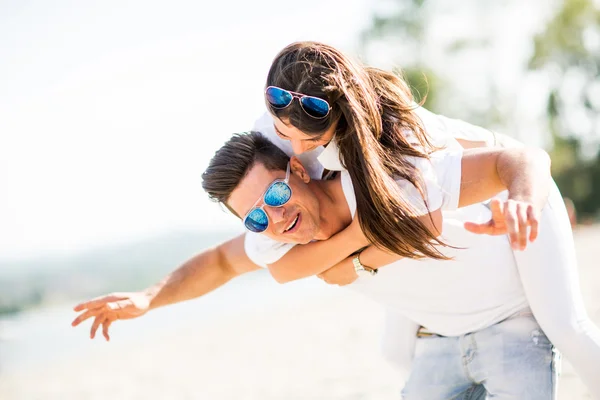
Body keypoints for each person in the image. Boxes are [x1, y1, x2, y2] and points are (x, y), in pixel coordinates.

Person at [201, 131, 560, 398]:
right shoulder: (282, 248)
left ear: (298, 169)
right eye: (256, 219)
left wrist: (522, 200)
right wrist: (149, 298)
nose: (276, 218)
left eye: (275, 194)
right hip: (438, 345)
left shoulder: (382, 180)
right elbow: (224, 262)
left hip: (512, 325)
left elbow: (520, 159)